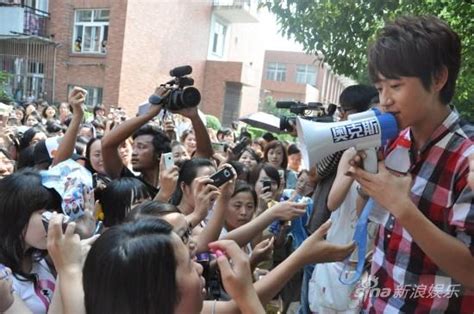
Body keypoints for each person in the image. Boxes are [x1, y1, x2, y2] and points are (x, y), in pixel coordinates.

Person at [348, 16, 474, 312]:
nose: (385, 100)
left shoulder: (467, 157)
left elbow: (470, 271)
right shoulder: (395, 140)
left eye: (395, 85)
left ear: (439, 79)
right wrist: (368, 186)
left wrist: (400, 205)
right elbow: (377, 224)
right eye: (379, 88)